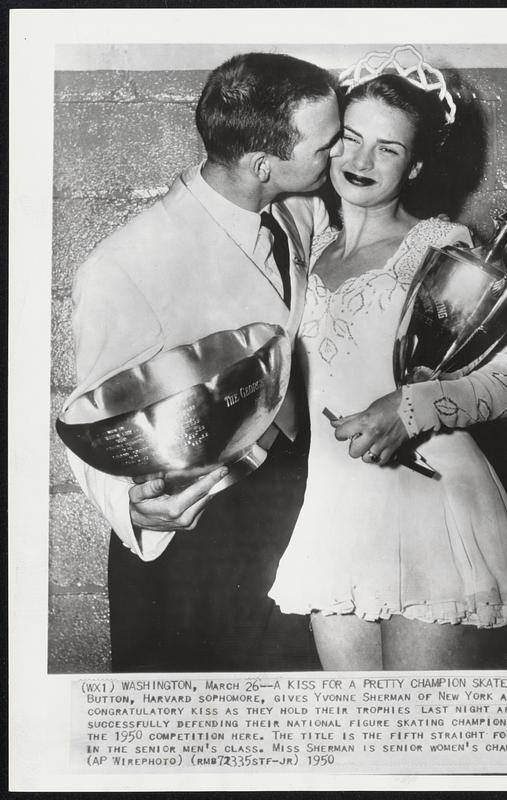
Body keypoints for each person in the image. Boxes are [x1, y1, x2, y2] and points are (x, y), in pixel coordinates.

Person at [62, 52, 342, 672]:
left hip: (296, 507)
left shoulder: (301, 210)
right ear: (264, 165)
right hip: (202, 532)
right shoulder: (124, 265)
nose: (338, 154)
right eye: (327, 146)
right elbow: (87, 414)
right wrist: (135, 506)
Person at [269, 47, 507, 670]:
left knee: (423, 752)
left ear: (416, 164)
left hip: (434, 509)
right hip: (337, 514)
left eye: (388, 149)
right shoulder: (303, 249)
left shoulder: (444, 247)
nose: (362, 161)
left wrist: (412, 405)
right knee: (360, 746)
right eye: (349, 138)